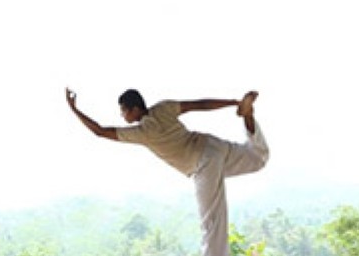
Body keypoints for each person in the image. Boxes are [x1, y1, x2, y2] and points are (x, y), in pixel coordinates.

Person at [66, 87, 267, 256]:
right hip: (213, 145)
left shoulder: (142, 132)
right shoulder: (163, 108)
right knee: (257, 157)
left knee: (212, 222)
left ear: (135, 109)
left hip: (203, 164)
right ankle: (247, 115)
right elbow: (199, 104)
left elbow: (100, 131)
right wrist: (234, 102)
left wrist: (74, 109)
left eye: (123, 111)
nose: (122, 115)